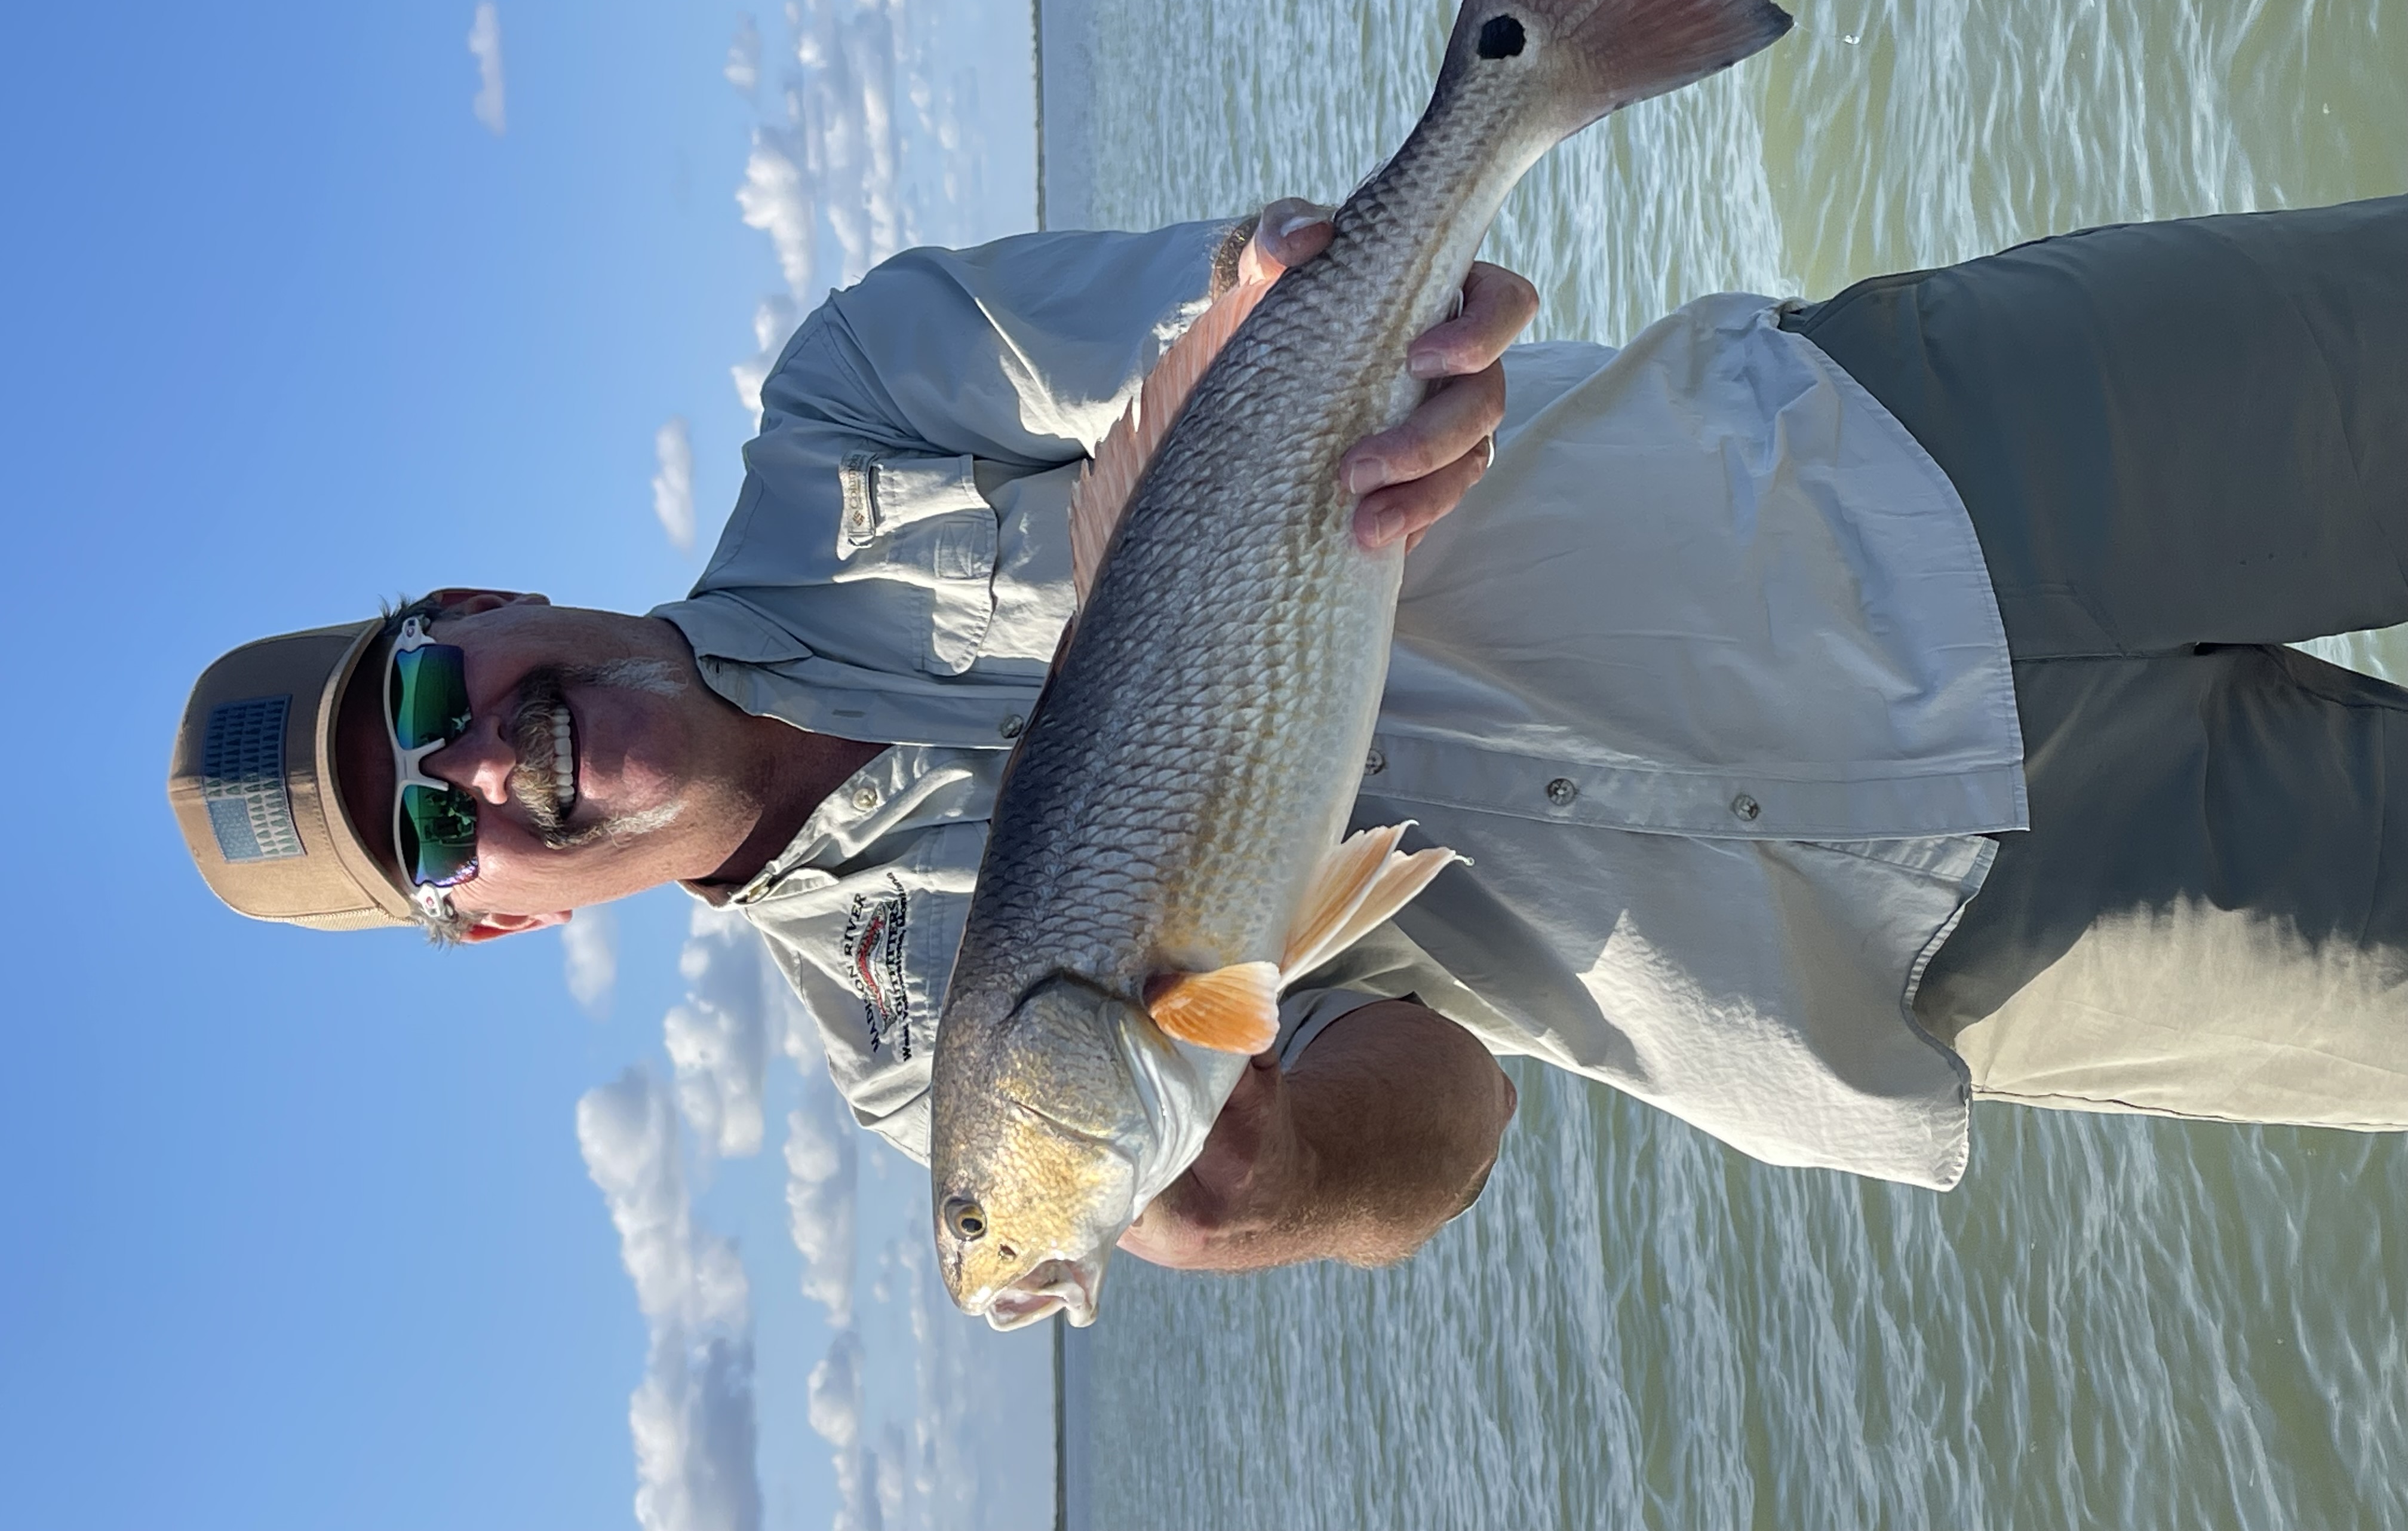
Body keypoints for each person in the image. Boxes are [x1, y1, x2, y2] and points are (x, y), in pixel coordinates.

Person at [170, 194, 2408, 1277]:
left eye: (427, 697)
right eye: (427, 836)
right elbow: (1438, 1100)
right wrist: (1282, 1177)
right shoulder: (915, 1059)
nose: (470, 765)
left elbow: (1236, 329)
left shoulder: (858, 395)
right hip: (1928, 940)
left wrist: (1321, 285)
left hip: (1896, 464)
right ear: (482, 925)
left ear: (472, 608)